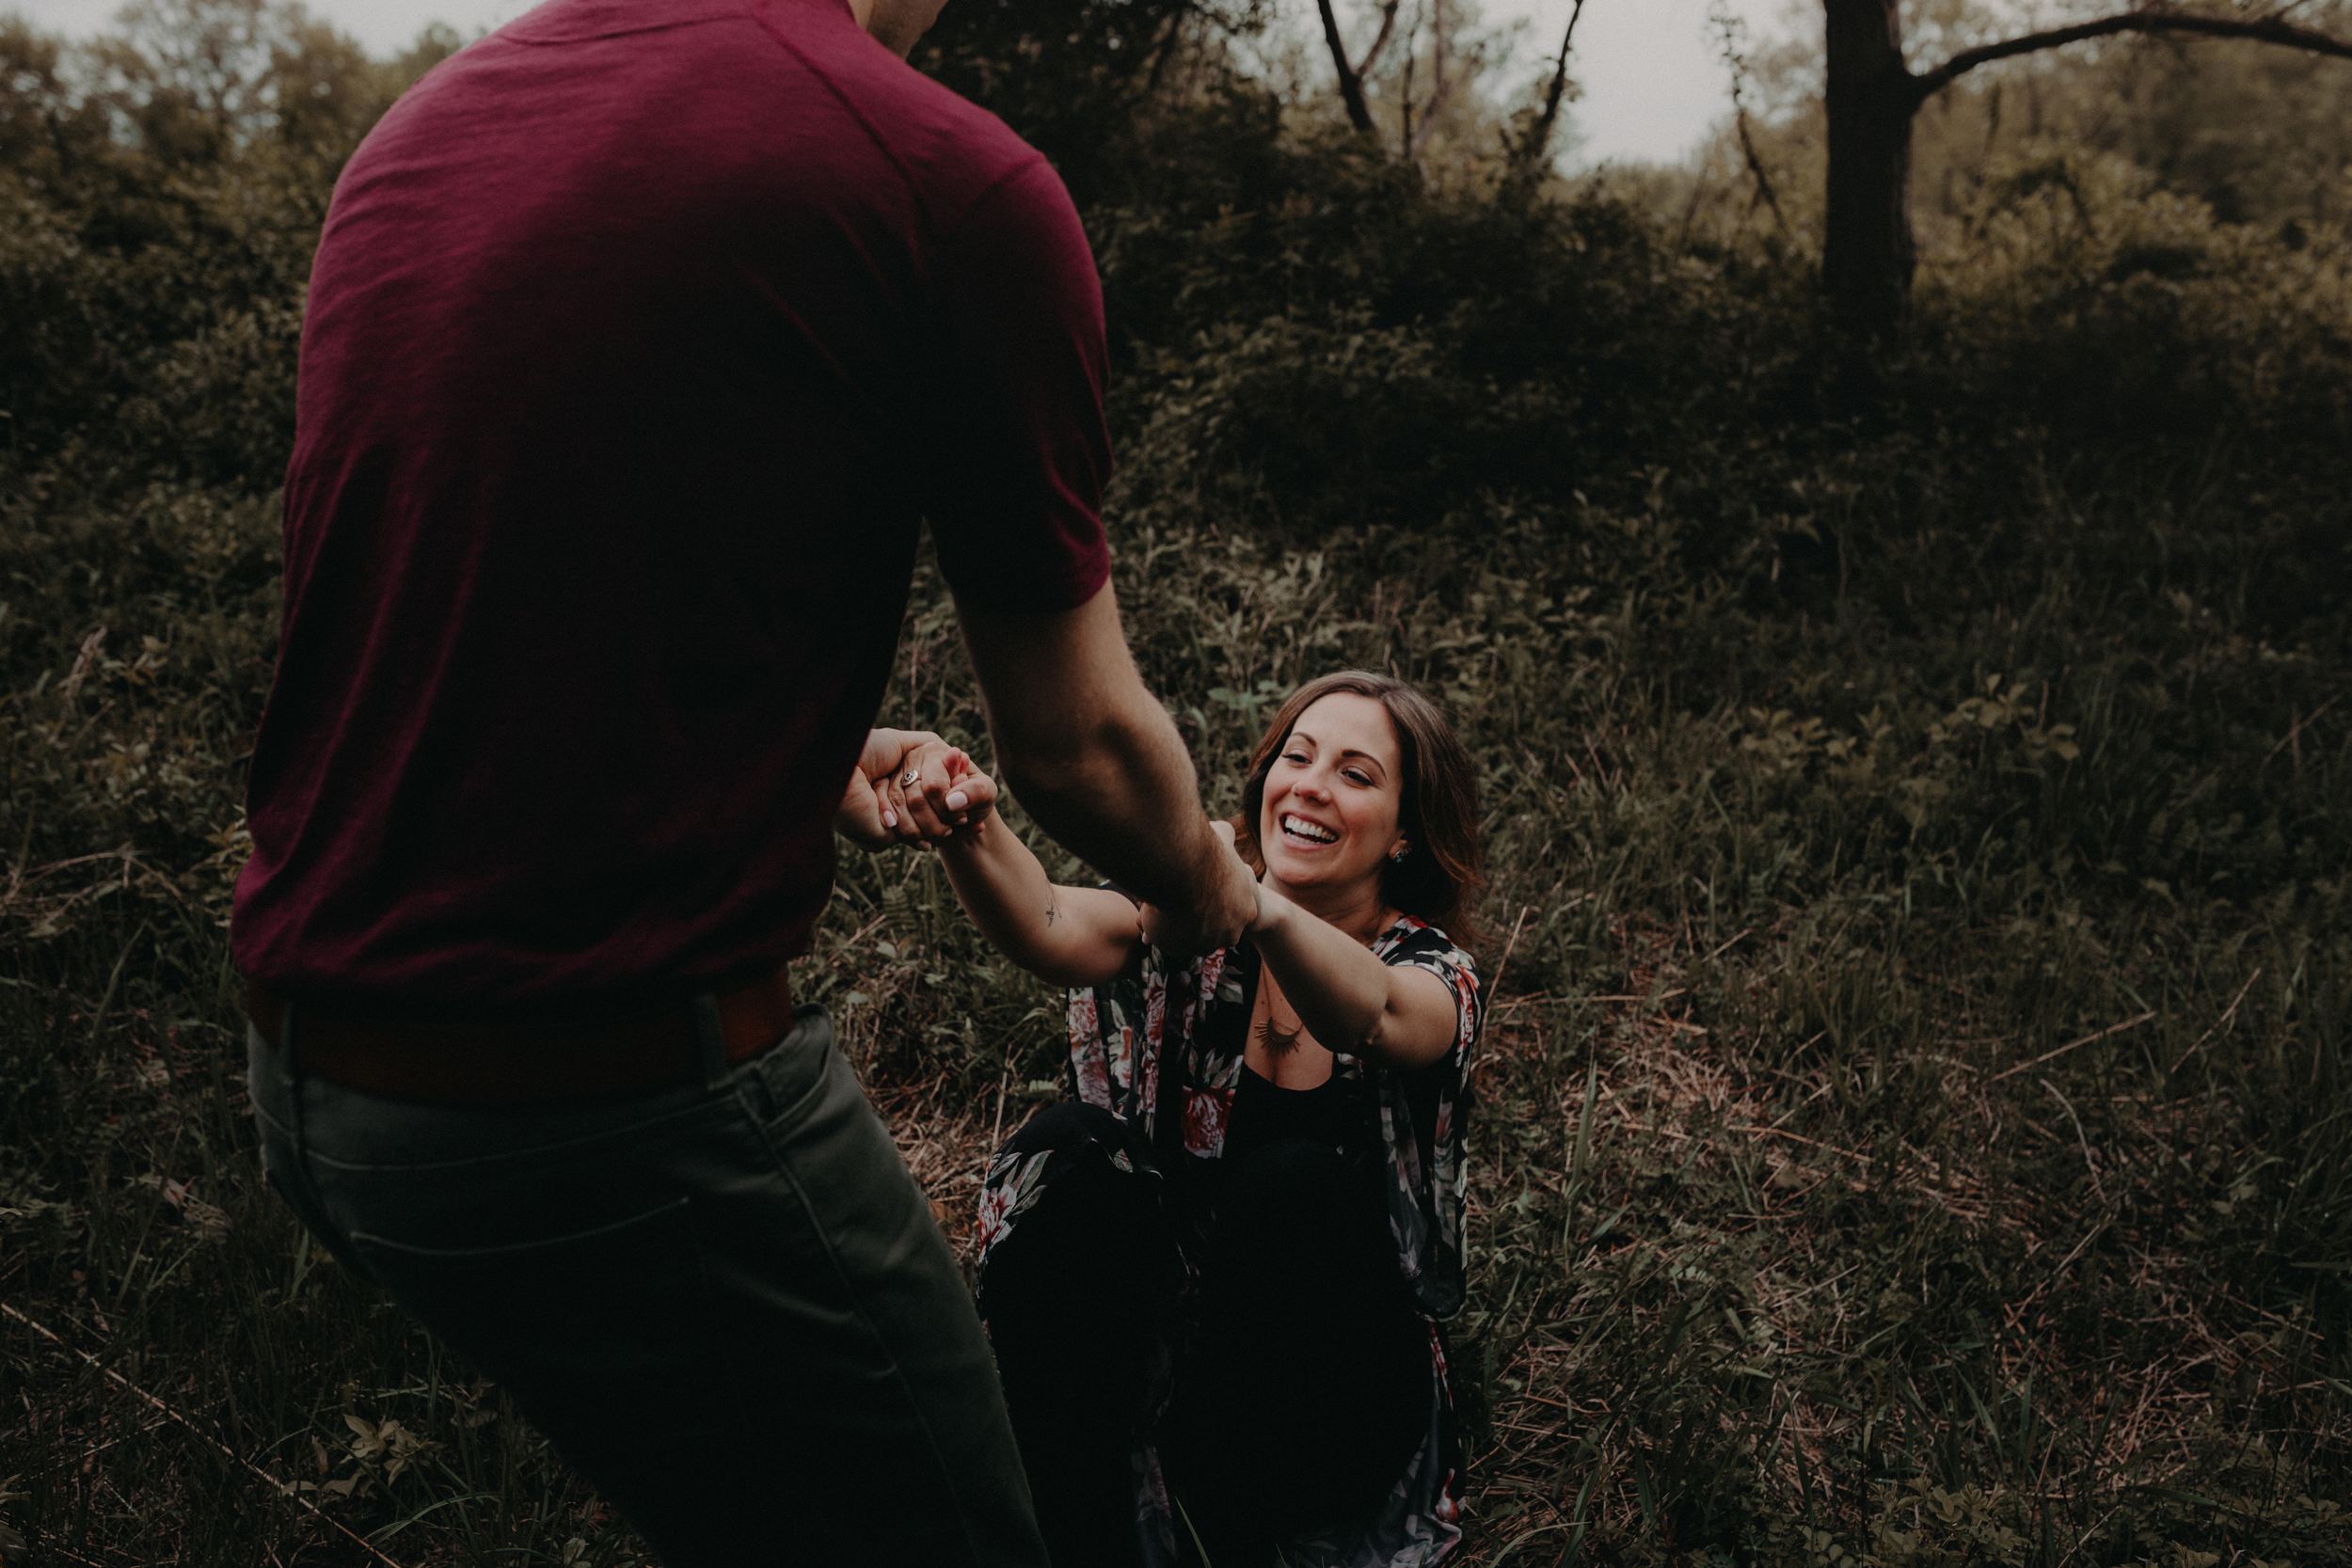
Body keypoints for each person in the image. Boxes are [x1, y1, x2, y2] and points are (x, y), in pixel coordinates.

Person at [226, 0, 1257, 1560]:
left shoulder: (424, 132)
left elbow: (493, 582)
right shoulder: (944, 180)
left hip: (317, 1087)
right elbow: (1084, 746)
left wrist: (824, 754)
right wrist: (1211, 895)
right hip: (598, 1100)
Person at [899, 670, 1486, 1568]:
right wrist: (971, 824)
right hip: (1185, 1354)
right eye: (1298, 756)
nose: (1312, 785)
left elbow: (1378, 1017)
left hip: (1330, 1383)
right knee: (1070, 1149)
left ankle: (1236, 1529)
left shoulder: (1432, 970)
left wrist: (1254, 904)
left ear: (1405, 829)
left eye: (1357, 774)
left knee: (1293, 1187)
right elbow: (1055, 919)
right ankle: (1086, 1514)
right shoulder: (1200, 904)